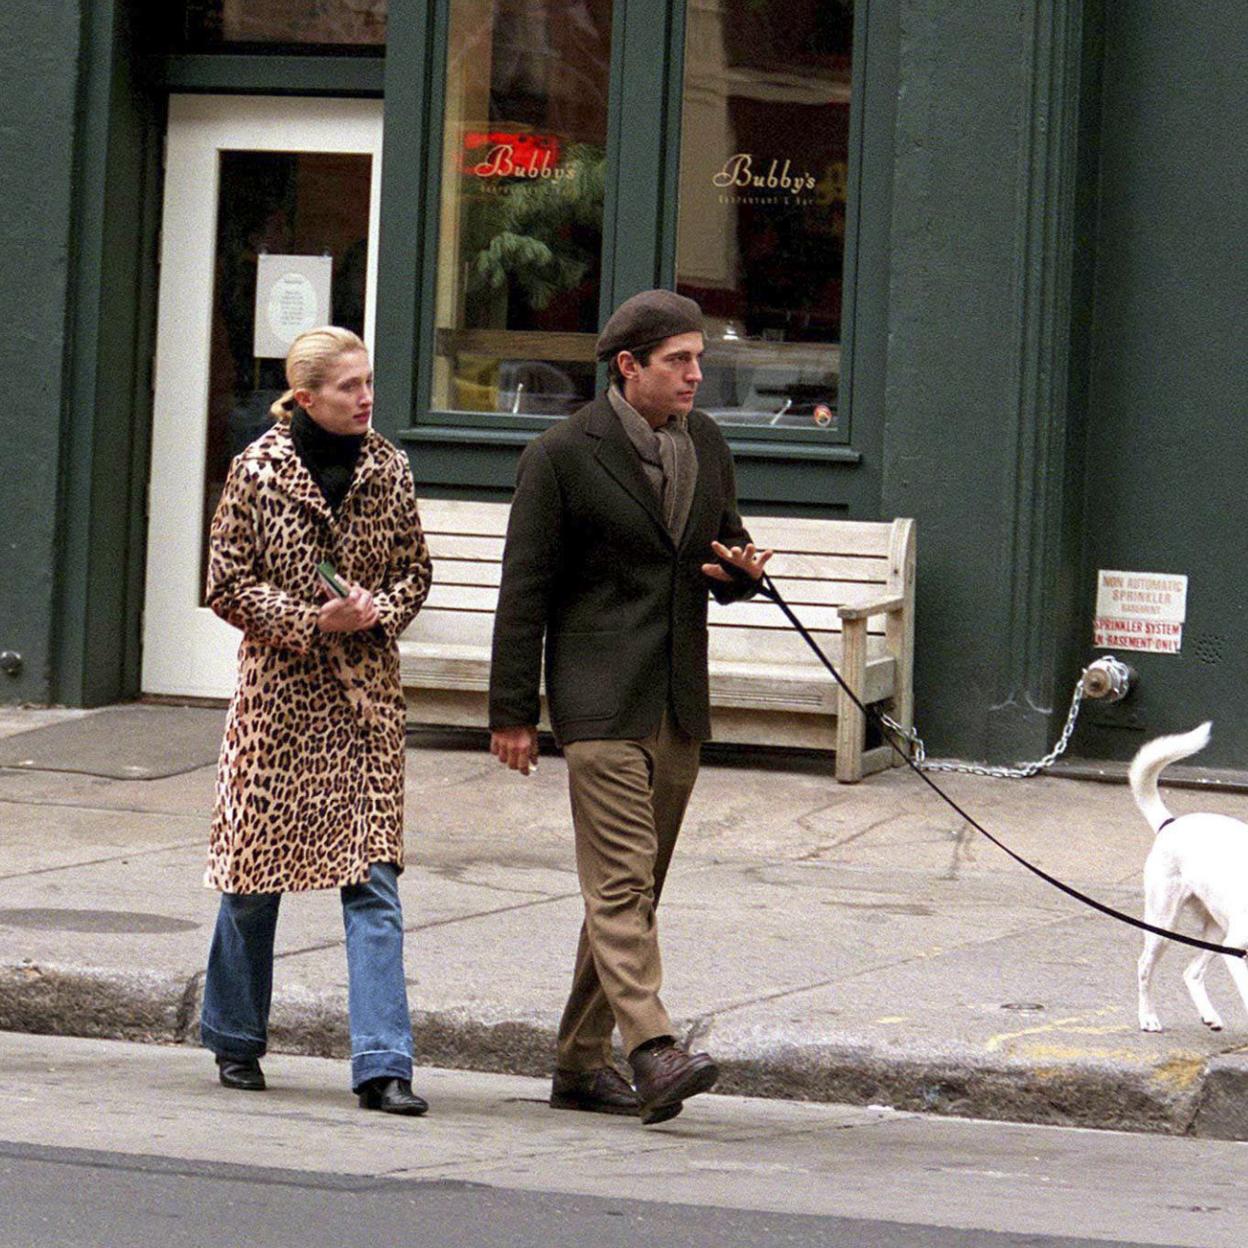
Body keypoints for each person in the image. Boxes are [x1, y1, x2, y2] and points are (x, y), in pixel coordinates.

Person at [488, 289, 772, 1125]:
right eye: (678, 361)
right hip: (599, 699)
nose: (695, 375)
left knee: (634, 892)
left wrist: (744, 576)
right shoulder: (561, 455)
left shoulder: (707, 444)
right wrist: (513, 711)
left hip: (678, 700)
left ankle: (579, 1062)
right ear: (628, 367)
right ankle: (653, 1049)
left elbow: (720, 545)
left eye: (698, 360)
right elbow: (524, 592)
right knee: (619, 884)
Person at [200, 325, 433, 1116]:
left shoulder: (389, 468)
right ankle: (234, 1035)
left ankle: (383, 1064)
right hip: (279, 703)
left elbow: (414, 569)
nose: (366, 397)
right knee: (253, 878)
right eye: (349, 386)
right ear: (305, 397)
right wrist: (309, 619)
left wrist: (377, 609)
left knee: (374, 880)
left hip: (366, 701)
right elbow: (225, 583)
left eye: (369, 382)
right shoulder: (256, 470)